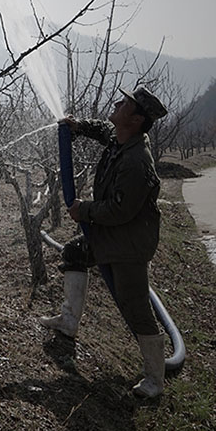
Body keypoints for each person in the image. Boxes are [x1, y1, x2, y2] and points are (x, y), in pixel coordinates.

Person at [39, 86, 169, 398]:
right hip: (110, 234)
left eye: (124, 103)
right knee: (74, 252)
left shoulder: (137, 161)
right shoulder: (120, 136)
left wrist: (83, 209)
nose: (116, 103)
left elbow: (120, 210)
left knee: (134, 305)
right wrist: (78, 126)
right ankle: (68, 322)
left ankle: (154, 378)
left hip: (129, 243)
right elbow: (102, 129)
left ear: (136, 119)